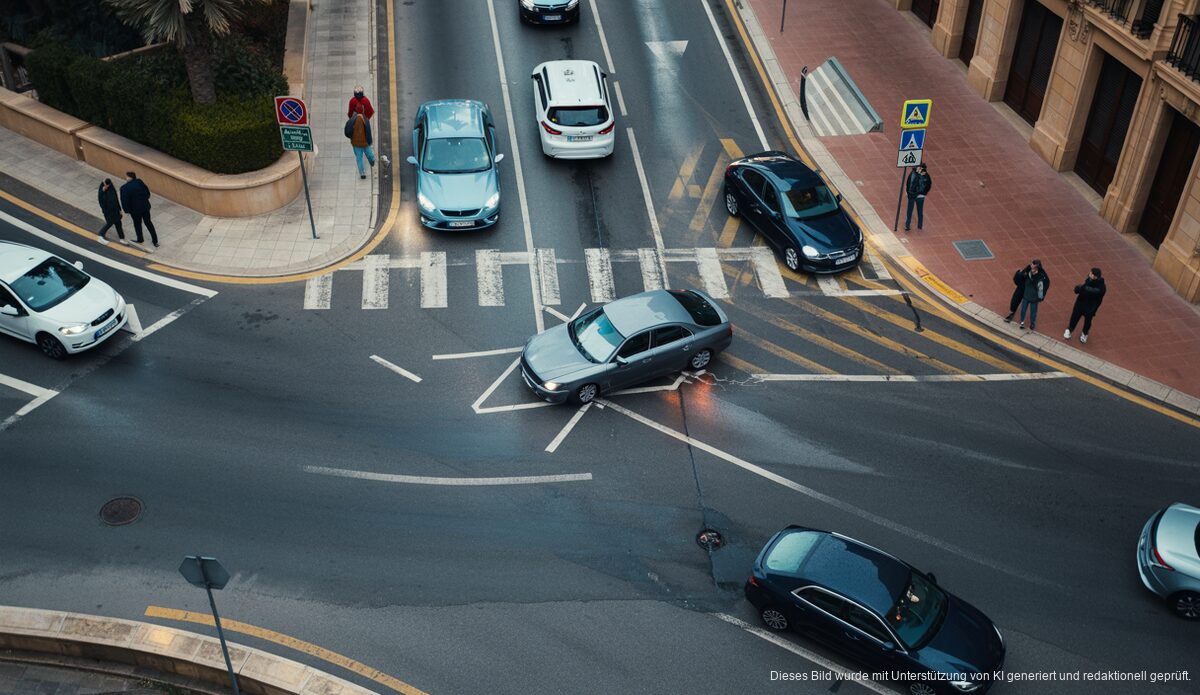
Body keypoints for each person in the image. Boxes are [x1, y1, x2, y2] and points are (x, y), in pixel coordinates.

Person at [1005, 259, 1049, 330]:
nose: (1031, 266)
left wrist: (1041, 296)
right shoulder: (1028, 268)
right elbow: (1023, 275)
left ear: (1037, 268)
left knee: (1033, 309)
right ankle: (1011, 313)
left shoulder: (1042, 275)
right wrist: (1019, 275)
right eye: (1031, 265)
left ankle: (1032, 323)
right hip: (1023, 288)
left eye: (1033, 266)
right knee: (1015, 299)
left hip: (1033, 293)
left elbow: (1045, 285)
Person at [1064, 268, 1106, 344]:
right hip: (1081, 302)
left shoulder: (1101, 286)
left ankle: (1084, 333)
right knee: (1075, 317)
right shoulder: (1088, 280)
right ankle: (1069, 330)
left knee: (1088, 321)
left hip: (1090, 306)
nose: (1089, 274)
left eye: (1091, 273)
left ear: (1095, 276)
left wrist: (1082, 288)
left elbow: (1095, 293)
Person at [119, 171, 158, 248]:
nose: (126, 178)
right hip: (145, 207)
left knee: (137, 224)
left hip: (135, 210)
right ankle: (155, 241)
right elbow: (147, 193)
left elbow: (124, 200)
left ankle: (140, 239)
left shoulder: (124, 188)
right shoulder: (139, 182)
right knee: (148, 223)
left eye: (126, 177)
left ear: (130, 177)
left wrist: (126, 210)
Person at [96, 179, 127, 245]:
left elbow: (116, 200)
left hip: (115, 211)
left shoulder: (112, 189)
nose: (107, 186)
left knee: (118, 224)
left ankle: (122, 238)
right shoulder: (101, 191)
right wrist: (103, 191)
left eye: (108, 185)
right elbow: (101, 201)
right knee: (109, 223)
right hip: (108, 212)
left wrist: (120, 210)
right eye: (106, 185)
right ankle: (100, 235)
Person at [903, 163, 932, 231]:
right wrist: (908, 192)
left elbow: (928, 185)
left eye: (919, 168)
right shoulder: (914, 174)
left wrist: (924, 193)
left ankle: (920, 225)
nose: (918, 169)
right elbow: (909, 183)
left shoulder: (925, 175)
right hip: (912, 195)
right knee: (910, 211)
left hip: (920, 195)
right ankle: (907, 225)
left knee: (919, 211)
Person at [349, 104, 375, 180]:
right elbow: (368, 131)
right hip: (364, 142)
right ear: (362, 110)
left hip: (356, 143)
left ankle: (362, 173)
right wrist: (369, 141)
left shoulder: (352, 119)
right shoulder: (365, 119)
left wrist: (351, 138)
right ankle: (372, 160)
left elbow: (348, 130)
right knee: (369, 153)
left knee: (359, 158)